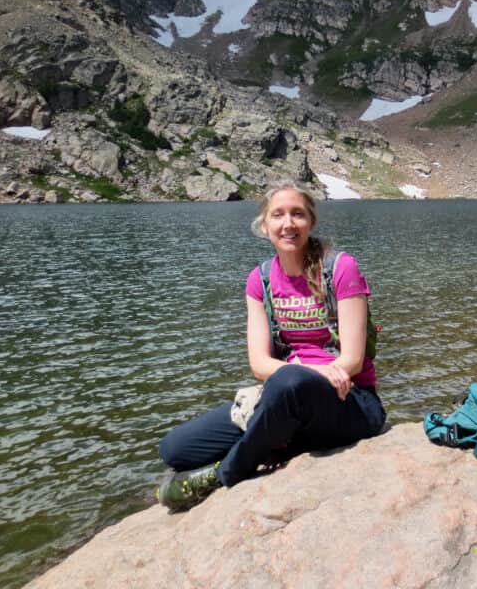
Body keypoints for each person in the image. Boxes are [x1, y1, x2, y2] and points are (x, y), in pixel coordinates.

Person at [155, 181, 386, 511]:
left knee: (286, 381)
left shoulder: (340, 268)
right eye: (278, 215)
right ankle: (276, 437)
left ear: (312, 222)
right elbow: (259, 365)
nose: (288, 224)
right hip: (285, 395)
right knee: (175, 449)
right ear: (264, 225)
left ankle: (224, 474)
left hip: (351, 401)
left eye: (298, 214)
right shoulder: (259, 280)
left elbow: (350, 361)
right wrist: (305, 372)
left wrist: (300, 377)